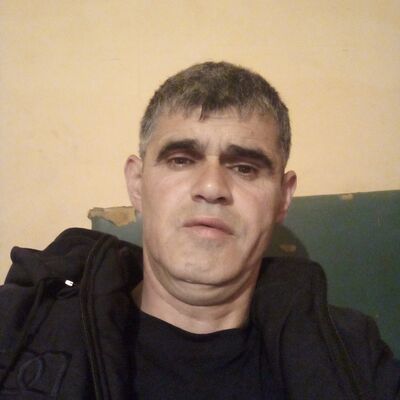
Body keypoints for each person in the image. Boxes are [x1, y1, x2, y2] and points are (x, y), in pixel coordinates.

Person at [0, 62, 398, 400]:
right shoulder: (21, 324)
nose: (211, 187)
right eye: (181, 159)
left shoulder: (353, 355)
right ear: (137, 183)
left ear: (283, 197)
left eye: (245, 168)